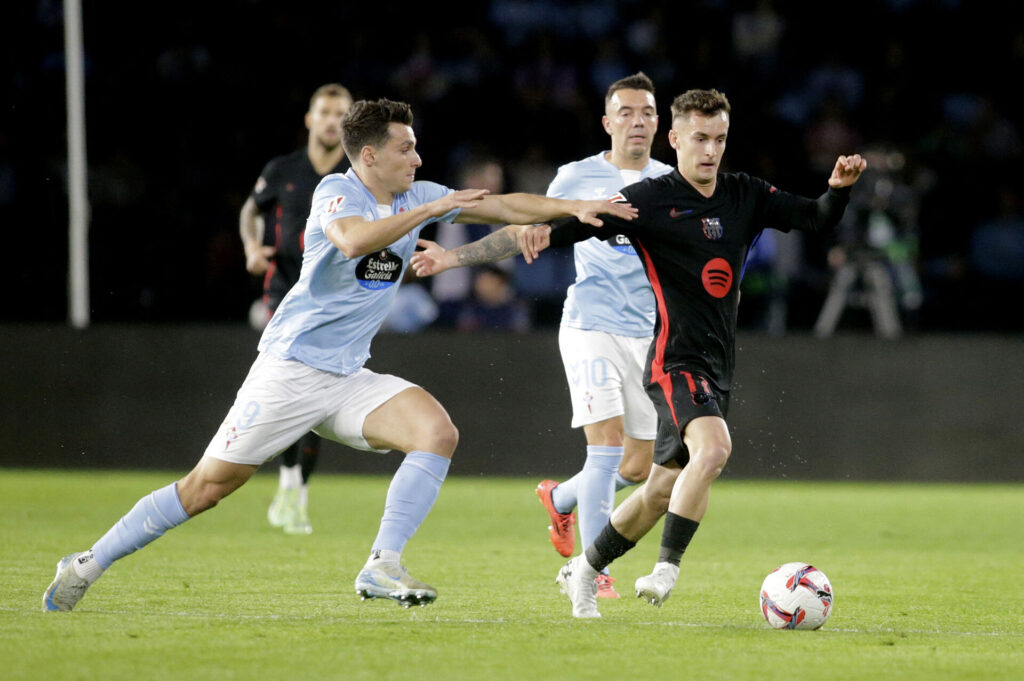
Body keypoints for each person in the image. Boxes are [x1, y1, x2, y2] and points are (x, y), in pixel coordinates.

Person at [41, 98, 638, 613]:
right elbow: (352, 240)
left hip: (348, 376)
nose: (419, 160)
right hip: (290, 370)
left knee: (436, 431)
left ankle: (382, 563)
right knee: (204, 489)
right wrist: (428, 210)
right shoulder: (338, 192)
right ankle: (89, 562)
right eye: (406, 149)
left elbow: (506, 205)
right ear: (370, 156)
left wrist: (573, 210)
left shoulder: (417, 192)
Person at [411, 89, 865, 618]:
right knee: (712, 451)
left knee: (656, 489)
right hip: (672, 361)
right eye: (699, 138)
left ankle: (584, 568)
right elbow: (572, 227)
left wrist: (838, 189)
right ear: (675, 140)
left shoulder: (746, 194)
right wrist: (497, 247)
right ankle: (665, 570)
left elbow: (816, 218)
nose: (710, 150)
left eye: (719, 139)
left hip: (717, 366)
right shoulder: (651, 199)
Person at [524, 72, 674, 599]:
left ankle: (560, 499)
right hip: (590, 324)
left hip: (646, 336)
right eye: (627, 112)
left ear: (660, 123)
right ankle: (590, 571)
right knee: (606, 449)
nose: (638, 120)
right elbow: (533, 223)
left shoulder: (671, 182)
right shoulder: (574, 177)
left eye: (647, 112)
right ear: (608, 122)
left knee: (636, 466)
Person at [239, 83, 353, 535]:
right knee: (287, 380)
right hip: (285, 288)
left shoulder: (356, 176)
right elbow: (251, 209)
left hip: (335, 298)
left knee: (314, 387)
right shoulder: (284, 169)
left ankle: (294, 489)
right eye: (324, 112)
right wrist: (251, 245)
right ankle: (291, 487)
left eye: (339, 114)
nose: (330, 120)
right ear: (310, 119)